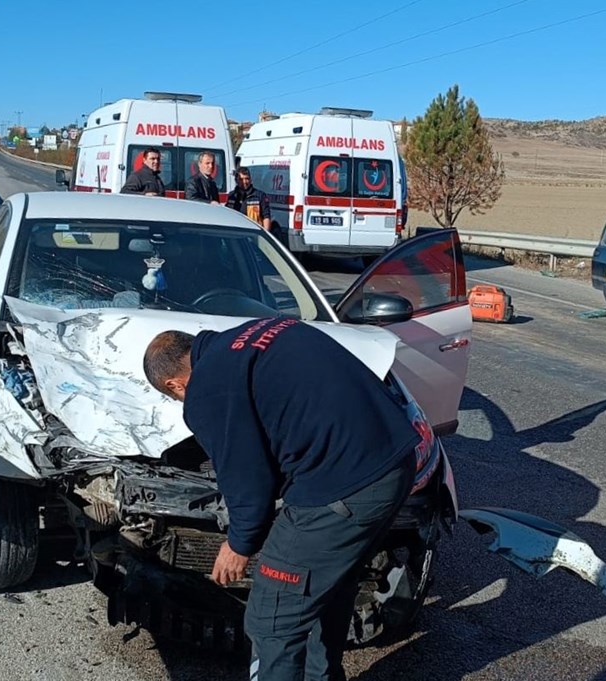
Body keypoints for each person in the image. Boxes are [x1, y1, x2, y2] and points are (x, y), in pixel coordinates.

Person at [143, 319, 419, 681]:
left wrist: (239, 544)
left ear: (175, 384)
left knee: (272, 615)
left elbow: (247, 477)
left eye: (176, 395)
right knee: (326, 588)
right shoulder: (266, 329)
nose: (182, 400)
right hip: (396, 462)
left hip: (341, 488)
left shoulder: (207, 388)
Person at [226, 167, 273, 231]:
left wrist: (265, 233)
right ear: (236, 180)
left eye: (247, 179)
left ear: (251, 180)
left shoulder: (259, 196)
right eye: (241, 179)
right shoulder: (232, 196)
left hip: (254, 233)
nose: (244, 182)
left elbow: (266, 216)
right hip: (235, 233)